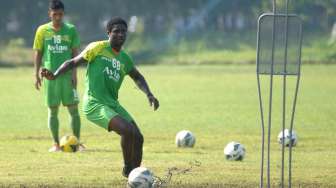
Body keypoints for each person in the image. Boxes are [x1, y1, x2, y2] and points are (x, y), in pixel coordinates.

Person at [41, 17, 159, 177]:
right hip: (94, 103)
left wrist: (149, 93)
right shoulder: (97, 48)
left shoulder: (125, 58)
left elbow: (137, 76)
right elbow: (72, 62)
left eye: (123, 31)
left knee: (138, 137)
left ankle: (136, 175)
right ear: (108, 33)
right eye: (116, 31)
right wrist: (54, 75)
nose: (120, 34)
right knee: (126, 130)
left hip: (112, 104)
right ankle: (128, 169)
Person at [33, 0, 84, 152]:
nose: (57, 17)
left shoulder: (71, 30)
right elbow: (38, 52)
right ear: (50, 14)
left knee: (74, 110)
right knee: (52, 110)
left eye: (60, 14)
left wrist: (75, 73)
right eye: (55, 14)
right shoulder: (42, 30)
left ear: (63, 14)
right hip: (50, 77)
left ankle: (77, 143)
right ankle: (56, 144)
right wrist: (36, 74)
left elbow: (75, 53)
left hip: (67, 76)